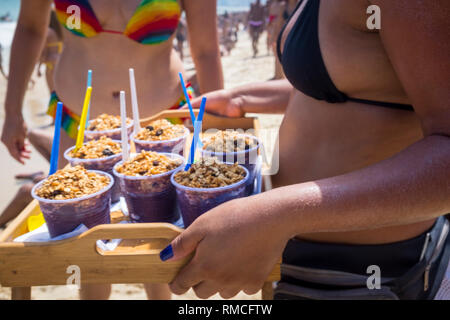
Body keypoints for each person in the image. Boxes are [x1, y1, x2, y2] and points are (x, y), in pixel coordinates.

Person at [167, 0, 450, 300]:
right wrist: (243, 96)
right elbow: (356, 83)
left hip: (363, 271)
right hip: (294, 249)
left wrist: (279, 214)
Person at [2, 0, 222, 300]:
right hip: (77, 123)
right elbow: (29, 27)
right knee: (84, 245)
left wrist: (215, 128)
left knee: (155, 243)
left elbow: (207, 50)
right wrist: (12, 110)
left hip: (162, 125)